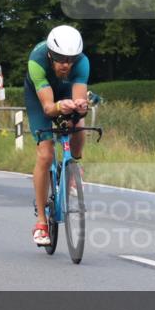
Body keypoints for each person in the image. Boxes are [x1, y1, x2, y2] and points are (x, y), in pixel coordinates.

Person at [24, 25, 90, 246]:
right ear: (51, 54)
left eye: (71, 59)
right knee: (45, 154)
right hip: (41, 98)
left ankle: (71, 168)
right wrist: (60, 106)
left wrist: (80, 106)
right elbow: (48, 108)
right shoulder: (37, 60)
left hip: (65, 94)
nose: (66, 64)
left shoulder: (82, 63)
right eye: (61, 59)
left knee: (79, 127)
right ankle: (41, 222)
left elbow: (80, 101)